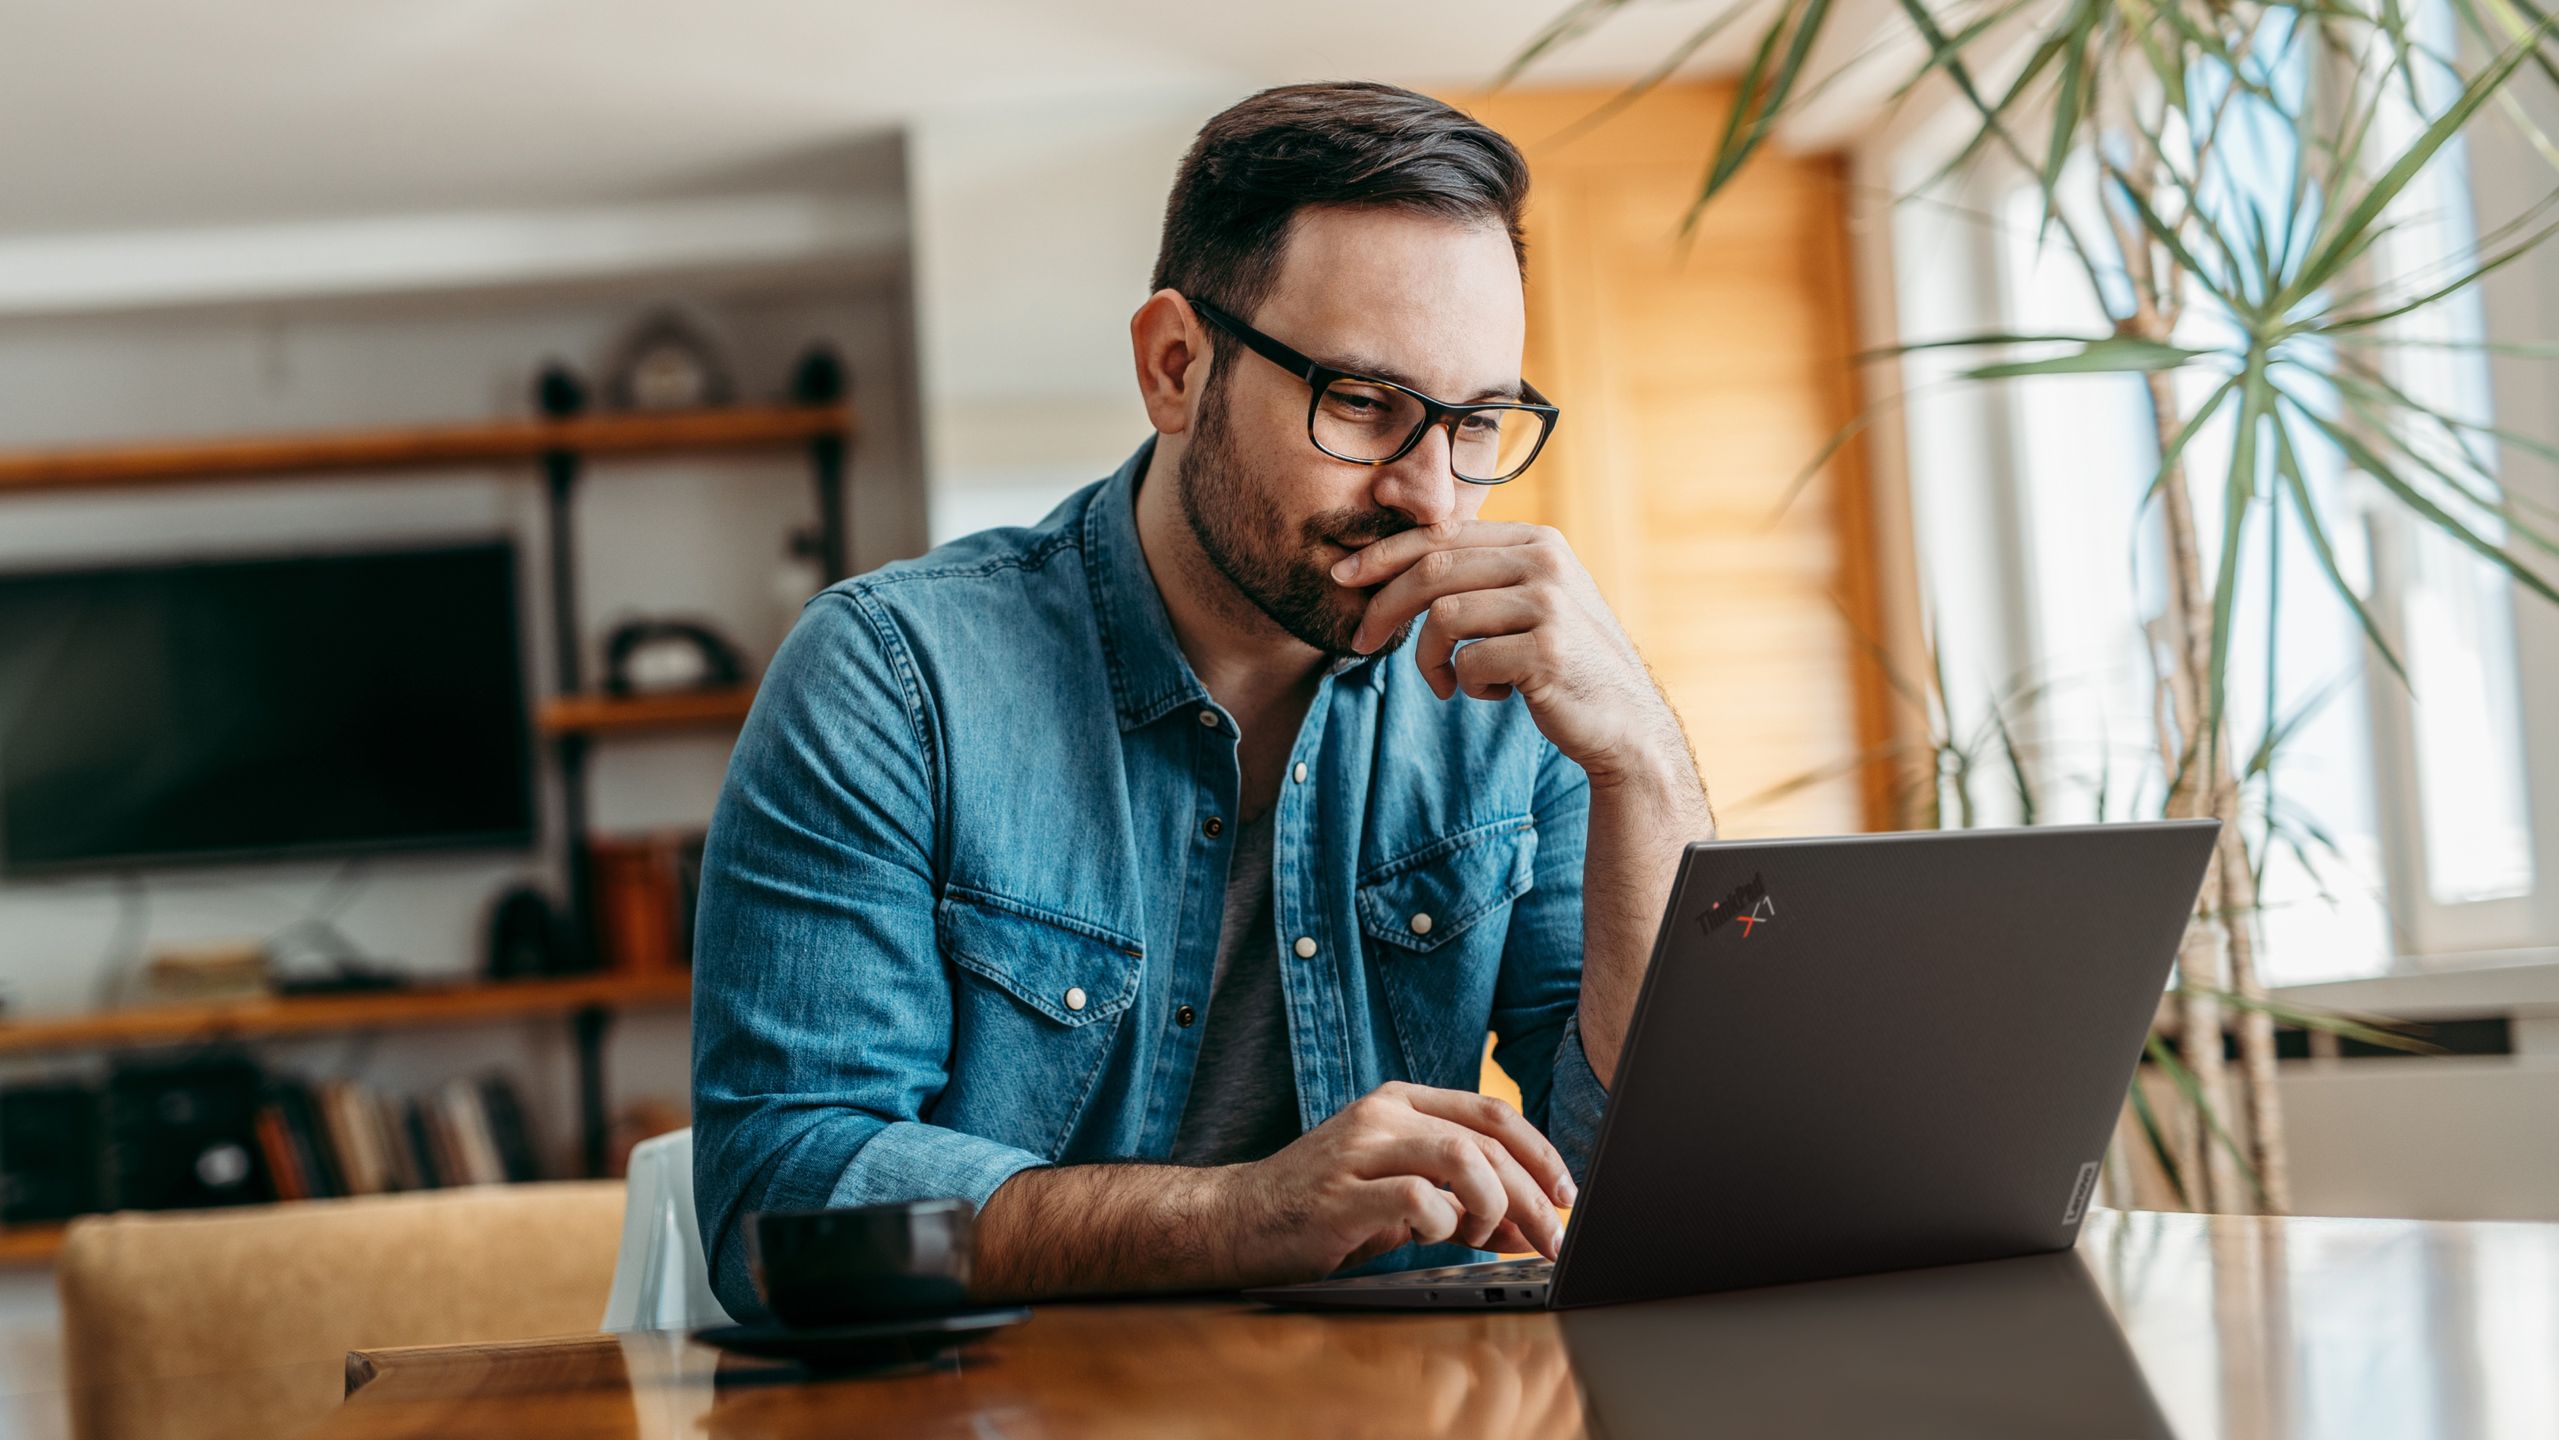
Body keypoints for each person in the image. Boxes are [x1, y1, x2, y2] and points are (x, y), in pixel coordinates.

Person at [691, 80, 1713, 1314]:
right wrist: (1244, 1216)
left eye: (1479, 422)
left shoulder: (1514, 695)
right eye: (1363, 404)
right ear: (1176, 366)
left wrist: (1643, 765)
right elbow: (779, 1220)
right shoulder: (893, 678)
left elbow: (1651, 1189)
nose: (1434, 497)